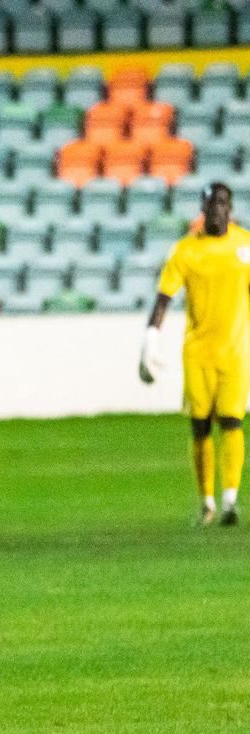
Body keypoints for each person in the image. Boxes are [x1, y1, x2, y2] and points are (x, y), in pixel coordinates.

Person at [140, 182, 250, 525]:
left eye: (222, 203)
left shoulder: (245, 246)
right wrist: (150, 337)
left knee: (232, 420)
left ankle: (230, 500)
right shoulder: (185, 251)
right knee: (200, 425)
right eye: (211, 204)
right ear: (202, 209)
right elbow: (164, 297)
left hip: (235, 350)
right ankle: (207, 503)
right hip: (198, 352)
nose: (217, 209)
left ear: (230, 208)